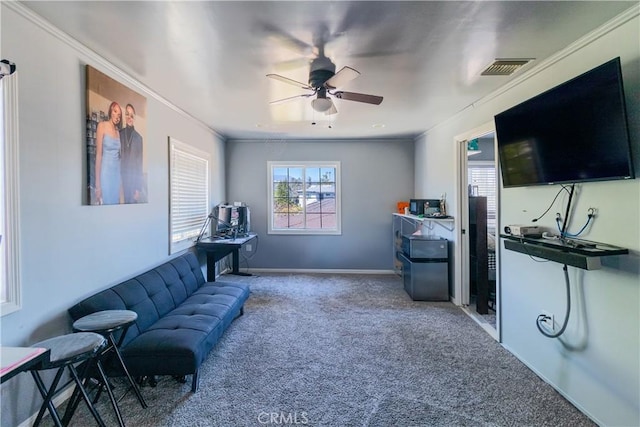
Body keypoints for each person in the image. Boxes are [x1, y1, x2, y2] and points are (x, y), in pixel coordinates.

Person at [95, 101, 122, 204]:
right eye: (115, 111)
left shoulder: (118, 132)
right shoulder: (102, 126)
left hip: (116, 175)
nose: (117, 116)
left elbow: (119, 158)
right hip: (106, 173)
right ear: (111, 111)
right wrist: (98, 186)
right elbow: (98, 155)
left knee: (115, 204)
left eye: (119, 114)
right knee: (106, 203)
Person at [120, 104, 144, 203]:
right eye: (127, 114)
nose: (129, 117)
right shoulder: (120, 133)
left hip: (133, 179)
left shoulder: (138, 138)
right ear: (124, 116)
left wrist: (138, 188)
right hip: (121, 178)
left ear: (134, 118)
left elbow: (139, 164)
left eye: (131, 115)